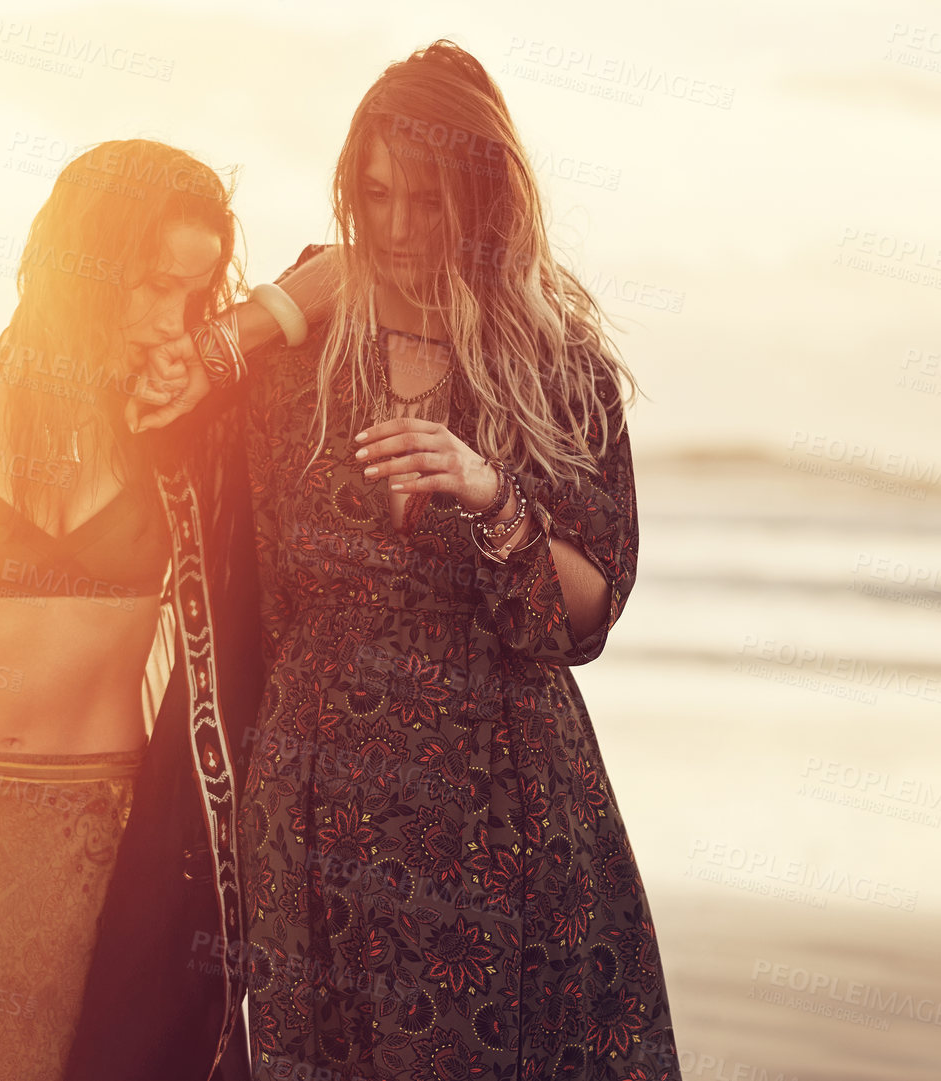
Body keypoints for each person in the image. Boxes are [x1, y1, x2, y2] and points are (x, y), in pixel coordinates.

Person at [134, 39, 683, 1081]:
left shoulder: (556, 371)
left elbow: (584, 616)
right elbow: (159, 445)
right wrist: (227, 342)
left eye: (426, 202)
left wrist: (489, 494)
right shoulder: (298, 361)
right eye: (374, 194)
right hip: (313, 801)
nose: (394, 227)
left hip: (500, 807)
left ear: (481, 201)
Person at [0, 138, 268, 1081]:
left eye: (195, 296)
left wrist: (227, 345)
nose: (170, 322)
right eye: (152, 285)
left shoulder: (184, 429)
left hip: (125, 865)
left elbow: (344, 273)